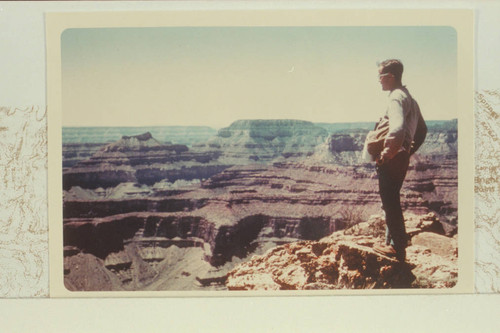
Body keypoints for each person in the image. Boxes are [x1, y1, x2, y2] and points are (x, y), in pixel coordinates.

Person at [372, 59, 427, 262]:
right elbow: (422, 131)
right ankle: (391, 243)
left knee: (390, 201)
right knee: (392, 199)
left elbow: (397, 128)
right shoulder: (410, 98)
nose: (379, 81)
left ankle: (397, 248)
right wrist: (408, 151)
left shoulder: (395, 97)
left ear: (391, 77)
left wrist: (388, 153)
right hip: (401, 156)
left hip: (393, 157)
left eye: (381, 76)